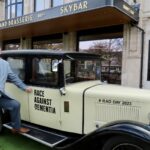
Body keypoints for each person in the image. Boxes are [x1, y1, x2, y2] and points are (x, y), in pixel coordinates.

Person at [0, 54, 32, 134]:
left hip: (1, 95)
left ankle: (16, 128)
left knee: (15, 105)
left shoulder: (5, 64)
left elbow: (13, 77)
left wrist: (24, 87)